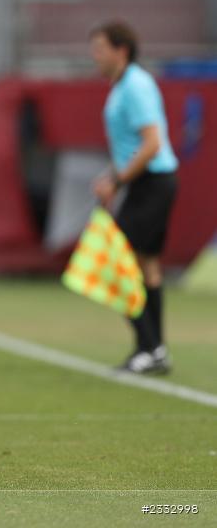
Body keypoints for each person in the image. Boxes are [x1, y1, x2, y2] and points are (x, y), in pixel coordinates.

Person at [90, 20, 179, 374]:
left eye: (100, 49)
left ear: (121, 50)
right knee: (147, 266)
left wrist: (117, 181)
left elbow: (152, 143)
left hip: (153, 182)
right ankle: (155, 350)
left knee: (114, 261)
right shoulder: (123, 85)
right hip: (146, 183)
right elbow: (128, 145)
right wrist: (113, 177)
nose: (95, 56)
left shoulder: (136, 85)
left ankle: (150, 346)